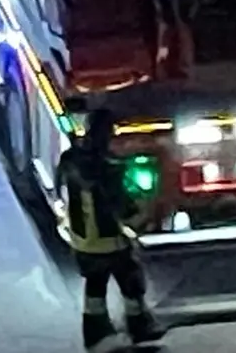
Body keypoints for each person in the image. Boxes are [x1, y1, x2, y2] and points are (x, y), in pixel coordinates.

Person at [55, 104, 163, 348]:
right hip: (108, 241)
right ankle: (139, 326)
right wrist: (141, 223)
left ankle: (95, 331)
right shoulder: (107, 169)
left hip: (82, 240)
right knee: (130, 280)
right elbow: (121, 206)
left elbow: (62, 188)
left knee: (95, 286)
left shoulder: (70, 159)